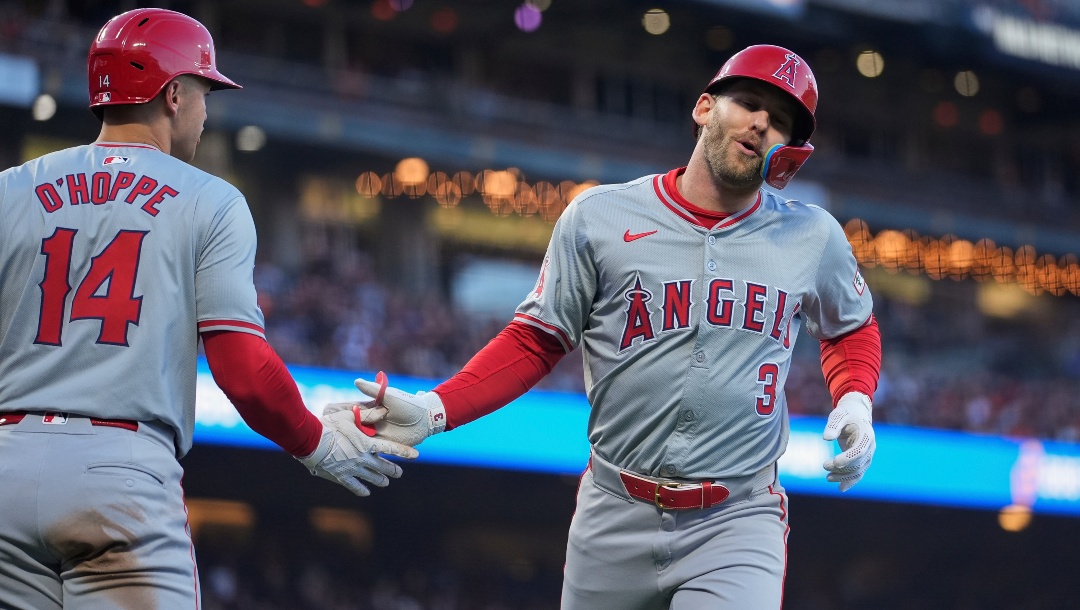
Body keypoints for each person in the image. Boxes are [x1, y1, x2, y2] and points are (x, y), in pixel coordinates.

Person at [349, 45, 882, 609]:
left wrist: (855, 398)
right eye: (748, 103)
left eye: (780, 123)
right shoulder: (600, 217)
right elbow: (535, 340)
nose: (760, 123)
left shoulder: (812, 237)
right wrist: (437, 409)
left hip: (738, 517)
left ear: (791, 152)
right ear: (704, 108)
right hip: (613, 508)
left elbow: (851, 327)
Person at [0, 9, 415, 609]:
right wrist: (314, 441)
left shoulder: (12, 188)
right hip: (121, 474)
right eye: (202, 91)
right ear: (172, 94)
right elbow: (242, 370)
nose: (204, 109)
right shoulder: (211, 199)